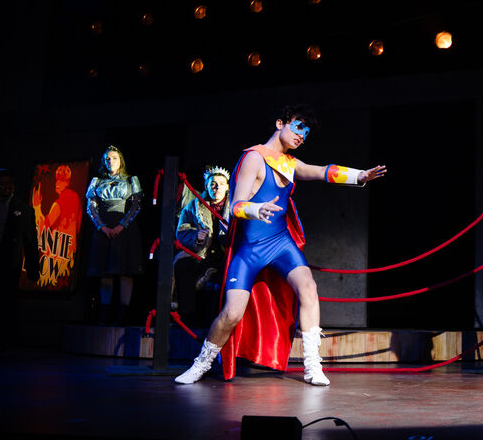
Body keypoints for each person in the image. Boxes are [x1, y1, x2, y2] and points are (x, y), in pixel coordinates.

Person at [175, 105, 387, 385]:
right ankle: (201, 364)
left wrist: (359, 176)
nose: (302, 136)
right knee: (232, 312)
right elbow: (235, 206)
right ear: (280, 124)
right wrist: (256, 209)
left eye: (306, 132)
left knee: (308, 287)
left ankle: (312, 365)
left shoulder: (290, 164)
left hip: (279, 242)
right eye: (298, 127)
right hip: (249, 248)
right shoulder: (254, 157)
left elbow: (321, 171)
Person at [0, 169, 40, 348]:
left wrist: (33, 268)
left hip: (6, 258)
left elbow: (31, 240)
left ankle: (0, 340)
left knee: (4, 300)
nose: (7, 187)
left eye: (10, 184)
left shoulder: (23, 209)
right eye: (2, 184)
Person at [85, 146, 143, 325]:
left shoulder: (131, 180)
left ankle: (123, 312)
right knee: (105, 271)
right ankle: (105, 310)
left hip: (124, 227)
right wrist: (101, 226)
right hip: (103, 227)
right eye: (107, 159)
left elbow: (136, 205)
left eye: (114, 158)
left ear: (121, 160)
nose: (110, 161)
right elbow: (91, 206)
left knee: (125, 270)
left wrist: (121, 225)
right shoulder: (97, 181)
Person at [173, 165, 231, 328]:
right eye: (213, 183)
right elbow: (181, 231)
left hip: (227, 255)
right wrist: (195, 236)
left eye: (221, 184)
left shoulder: (235, 206)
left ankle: (222, 321)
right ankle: (188, 317)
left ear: (227, 187)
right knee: (182, 266)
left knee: (227, 275)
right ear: (206, 186)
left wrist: (230, 233)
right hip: (202, 254)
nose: (216, 187)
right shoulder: (194, 205)